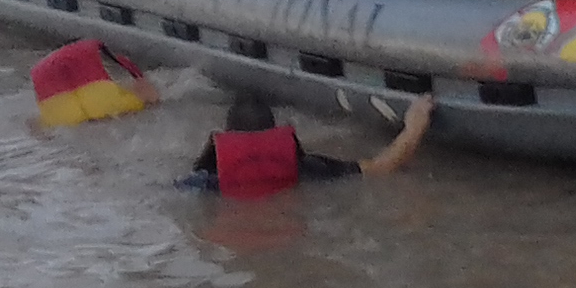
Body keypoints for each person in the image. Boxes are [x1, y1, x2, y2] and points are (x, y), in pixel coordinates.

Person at [179, 91, 434, 195]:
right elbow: (383, 166)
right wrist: (415, 125)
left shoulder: (206, 182)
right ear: (274, 134)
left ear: (227, 137)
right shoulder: (305, 169)